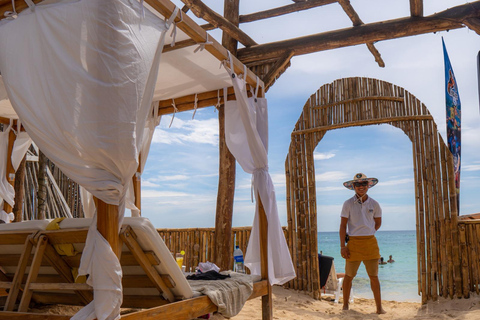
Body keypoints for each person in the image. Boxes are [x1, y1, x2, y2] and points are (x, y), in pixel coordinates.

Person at [339, 173, 386, 314]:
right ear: (353, 186)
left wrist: (368, 232)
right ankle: (345, 305)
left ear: (368, 186)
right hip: (353, 243)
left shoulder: (374, 204)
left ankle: (379, 308)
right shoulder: (347, 204)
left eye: (364, 184)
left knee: (374, 277)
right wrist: (343, 246)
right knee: (349, 276)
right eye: (358, 184)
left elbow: (377, 223)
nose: (361, 187)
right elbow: (342, 226)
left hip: (370, 243)